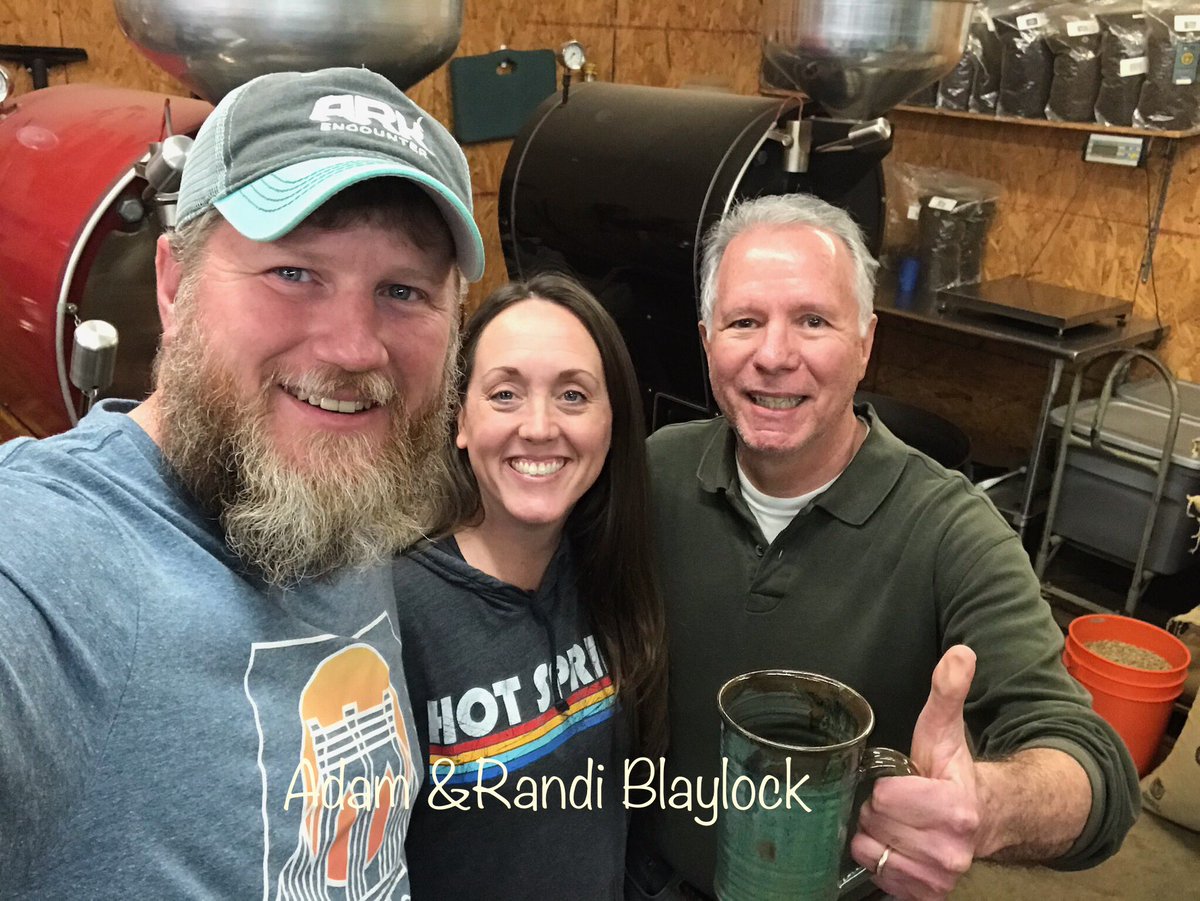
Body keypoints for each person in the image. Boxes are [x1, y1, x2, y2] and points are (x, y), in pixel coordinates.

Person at [0, 67, 485, 898]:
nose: (354, 347)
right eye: (294, 272)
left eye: (402, 291)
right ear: (173, 284)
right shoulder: (56, 568)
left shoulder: (340, 497)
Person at [632, 194, 1140, 900]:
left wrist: (987, 806)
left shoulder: (951, 532)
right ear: (707, 339)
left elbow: (1092, 766)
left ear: (867, 343)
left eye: (813, 321)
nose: (774, 355)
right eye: (744, 321)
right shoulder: (653, 471)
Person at [394, 274, 668, 900]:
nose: (540, 426)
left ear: (612, 422)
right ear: (460, 419)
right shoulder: (396, 608)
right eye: (505, 394)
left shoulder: (607, 569)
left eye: (573, 395)